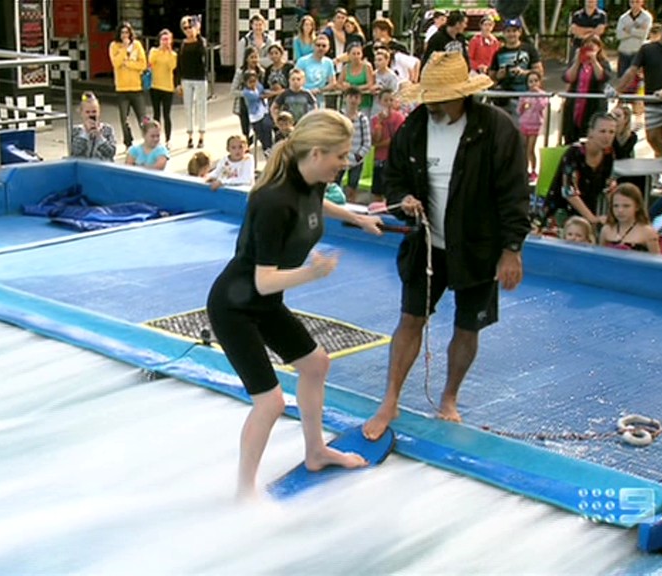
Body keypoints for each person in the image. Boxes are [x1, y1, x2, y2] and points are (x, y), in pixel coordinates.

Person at [205, 109, 385, 498]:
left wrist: (358, 218)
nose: (346, 163)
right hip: (235, 307)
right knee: (270, 402)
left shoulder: (312, 180)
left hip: (264, 304)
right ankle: (244, 493)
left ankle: (316, 451)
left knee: (316, 364)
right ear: (317, 153)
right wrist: (312, 273)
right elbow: (264, 280)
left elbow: (315, 206)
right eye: (341, 155)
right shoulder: (273, 201)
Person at [361, 52, 529, 441]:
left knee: (468, 325)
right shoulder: (415, 126)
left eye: (438, 99)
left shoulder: (496, 129)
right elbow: (394, 177)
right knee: (410, 318)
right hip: (426, 244)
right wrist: (403, 198)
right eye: (428, 98)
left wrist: (512, 249)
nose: (431, 105)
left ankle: (449, 397)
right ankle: (390, 399)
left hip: (478, 244)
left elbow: (514, 193)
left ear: (461, 95)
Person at [617, 16, 662, 158]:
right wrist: (617, 90)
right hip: (653, 100)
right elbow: (632, 71)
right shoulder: (647, 49)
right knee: (653, 137)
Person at [543, 112, 618, 228]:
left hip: (588, 213)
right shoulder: (574, 153)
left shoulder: (609, 154)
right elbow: (569, 192)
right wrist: (592, 219)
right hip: (560, 214)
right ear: (590, 132)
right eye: (602, 131)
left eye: (611, 132)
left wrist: (618, 213)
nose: (607, 136)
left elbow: (609, 187)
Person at [560, 35, 612, 145]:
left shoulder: (603, 63)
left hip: (594, 104)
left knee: (591, 136)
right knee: (571, 138)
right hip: (575, 105)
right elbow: (568, 78)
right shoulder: (577, 63)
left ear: (599, 48)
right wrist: (577, 61)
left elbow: (602, 77)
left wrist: (594, 61)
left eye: (593, 46)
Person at [489, 19, 543, 120]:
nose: (511, 34)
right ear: (504, 33)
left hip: (526, 96)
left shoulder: (529, 49)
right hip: (505, 97)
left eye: (514, 31)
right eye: (508, 31)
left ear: (520, 32)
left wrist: (524, 73)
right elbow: (491, 78)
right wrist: (498, 76)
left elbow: (539, 72)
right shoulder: (498, 53)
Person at [109, 22, 148, 150]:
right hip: (122, 88)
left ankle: (147, 139)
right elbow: (116, 63)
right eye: (122, 32)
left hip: (136, 88)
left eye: (127, 32)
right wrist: (124, 49)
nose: (125, 35)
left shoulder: (137, 45)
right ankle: (128, 142)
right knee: (124, 119)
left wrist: (128, 64)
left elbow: (143, 64)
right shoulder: (114, 46)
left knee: (143, 118)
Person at [176, 15, 208, 149]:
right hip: (186, 79)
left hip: (200, 78)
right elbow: (179, 64)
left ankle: (201, 136)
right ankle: (189, 136)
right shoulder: (183, 44)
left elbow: (203, 52)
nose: (188, 30)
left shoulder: (201, 41)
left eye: (190, 27)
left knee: (201, 107)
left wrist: (198, 32)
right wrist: (178, 82)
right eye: (185, 28)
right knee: (188, 108)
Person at [599, 183, 659, 253]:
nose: (620, 210)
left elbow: (656, 258)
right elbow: (600, 256)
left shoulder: (648, 232)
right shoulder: (606, 230)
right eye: (615, 206)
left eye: (626, 206)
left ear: (637, 206)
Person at [337, 86, 372, 202]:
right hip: (339, 158)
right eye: (350, 97)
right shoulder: (338, 117)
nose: (353, 100)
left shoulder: (363, 119)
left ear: (360, 100)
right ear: (345, 98)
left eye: (356, 97)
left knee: (352, 189)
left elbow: (367, 142)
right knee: (334, 187)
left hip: (357, 161)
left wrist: (358, 156)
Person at [370, 89, 406, 198]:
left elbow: (397, 139)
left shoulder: (399, 117)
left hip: (393, 158)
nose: (388, 103)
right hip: (379, 158)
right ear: (380, 102)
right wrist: (380, 123)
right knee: (377, 191)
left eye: (391, 100)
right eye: (385, 100)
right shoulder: (375, 119)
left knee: (391, 191)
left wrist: (379, 144)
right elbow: (375, 139)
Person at [148, 29, 178, 147]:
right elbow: (151, 62)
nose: (165, 42)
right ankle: (156, 137)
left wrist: (168, 52)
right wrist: (160, 50)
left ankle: (168, 139)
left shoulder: (173, 54)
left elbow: (172, 66)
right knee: (156, 114)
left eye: (167, 39)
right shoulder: (154, 51)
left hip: (167, 87)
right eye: (163, 39)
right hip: (155, 86)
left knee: (167, 114)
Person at [232, 47, 266, 145]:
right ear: (246, 58)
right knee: (245, 130)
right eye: (252, 57)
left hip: (258, 105)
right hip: (244, 105)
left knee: (259, 128)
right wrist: (246, 94)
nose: (254, 60)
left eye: (256, 57)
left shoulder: (261, 72)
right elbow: (233, 90)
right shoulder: (240, 72)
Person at [517, 71, 548, 180]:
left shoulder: (543, 94)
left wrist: (537, 95)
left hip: (535, 125)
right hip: (524, 124)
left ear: (539, 82)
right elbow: (518, 111)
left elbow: (542, 106)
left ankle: (534, 170)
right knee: (523, 148)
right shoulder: (524, 95)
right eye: (530, 81)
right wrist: (523, 105)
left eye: (535, 81)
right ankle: (524, 169)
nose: (533, 83)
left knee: (530, 149)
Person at [69, 92, 117, 161]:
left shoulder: (108, 129)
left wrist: (99, 136)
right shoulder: (76, 130)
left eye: (94, 111)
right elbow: (75, 151)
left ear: (99, 112)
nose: (91, 115)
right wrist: (85, 133)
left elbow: (111, 153)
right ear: (81, 113)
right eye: (87, 112)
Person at [296, 35, 337, 108]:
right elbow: (295, 79)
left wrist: (320, 90)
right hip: (302, 98)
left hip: (320, 99)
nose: (321, 48)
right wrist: (308, 92)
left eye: (324, 46)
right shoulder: (302, 61)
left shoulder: (329, 62)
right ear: (313, 46)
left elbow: (333, 83)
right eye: (318, 45)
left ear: (328, 48)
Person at [615, 0, 652, 79]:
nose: (634, 4)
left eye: (637, 2)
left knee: (637, 79)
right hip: (624, 52)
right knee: (622, 79)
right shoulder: (623, 17)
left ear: (642, 2)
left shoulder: (647, 17)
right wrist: (637, 29)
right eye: (632, 2)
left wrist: (629, 30)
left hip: (638, 52)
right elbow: (619, 35)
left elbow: (643, 34)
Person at [338, 43, 375, 117]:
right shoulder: (345, 68)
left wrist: (353, 88)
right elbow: (339, 83)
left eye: (358, 53)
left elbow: (370, 84)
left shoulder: (367, 66)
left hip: (364, 102)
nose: (356, 56)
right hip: (348, 102)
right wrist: (344, 86)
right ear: (348, 55)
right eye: (354, 54)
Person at [241, 71, 274, 156]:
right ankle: (266, 148)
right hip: (255, 116)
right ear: (245, 82)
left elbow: (263, 91)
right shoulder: (246, 92)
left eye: (255, 81)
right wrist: (275, 92)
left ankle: (269, 147)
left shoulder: (259, 86)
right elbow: (261, 96)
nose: (253, 84)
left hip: (264, 111)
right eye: (250, 82)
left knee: (267, 126)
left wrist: (271, 91)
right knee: (260, 133)